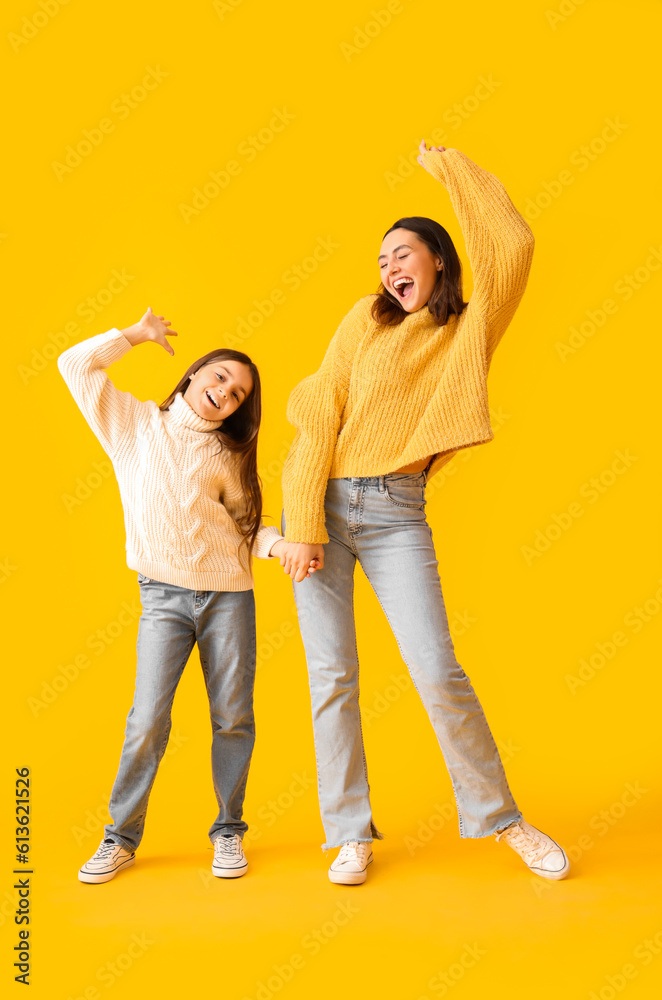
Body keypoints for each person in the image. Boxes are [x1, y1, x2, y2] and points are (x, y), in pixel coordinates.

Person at [279, 140, 570, 885]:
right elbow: (318, 415)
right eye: (380, 261)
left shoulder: (467, 329)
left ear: (438, 259)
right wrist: (304, 526)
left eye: (402, 255)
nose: (388, 270)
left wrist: (450, 170)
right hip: (324, 506)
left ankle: (502, 819)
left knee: (435, 668)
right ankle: (348, 832)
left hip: (398, 511)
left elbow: (513, 242)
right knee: (331, 676)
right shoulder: (363, 320)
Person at [57, 308, 309, 883]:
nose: (227, 392)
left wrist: (282, 548)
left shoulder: (230, 454)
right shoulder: (133, 425)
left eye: (240, 393)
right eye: (220, 377)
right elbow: (73, 364)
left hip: (228, 599)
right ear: (193, 375)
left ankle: (228, 831)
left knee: (233, 718)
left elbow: (248, 528)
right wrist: (135, 336)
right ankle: (119, 838)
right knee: (147, 719)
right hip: (162, 599)